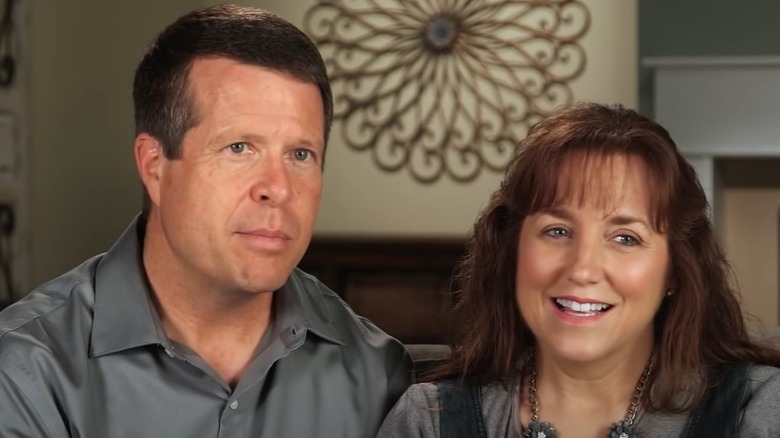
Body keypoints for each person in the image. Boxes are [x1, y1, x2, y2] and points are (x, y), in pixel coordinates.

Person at [0, 5, 411, 437]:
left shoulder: (376, 374)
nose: (279, 187)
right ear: (155, 165)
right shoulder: (25, 372)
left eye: (300, 154)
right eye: (239, 148)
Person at [377, 102, 780, 438]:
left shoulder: (757, 409)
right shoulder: (429, 421)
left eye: (625, 238)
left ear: (675, 270)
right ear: (513, 248)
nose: (583, 268)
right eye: (557, 230)